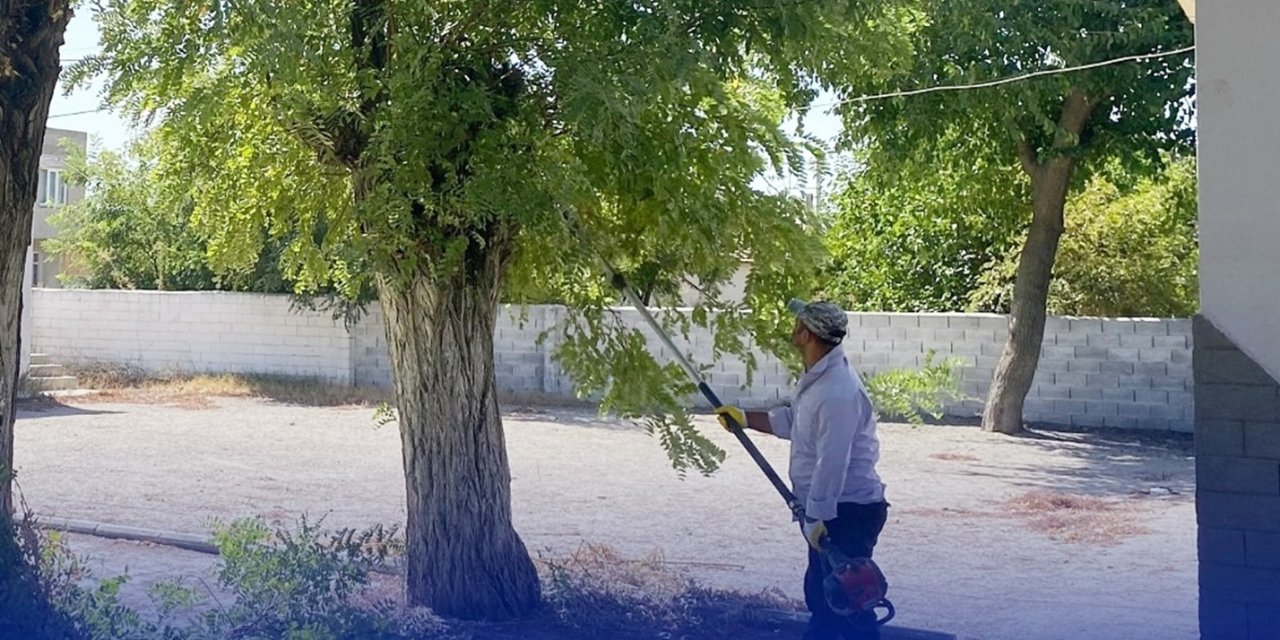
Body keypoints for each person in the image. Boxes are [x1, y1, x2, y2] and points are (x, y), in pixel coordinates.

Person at [715, 298, 889, 640]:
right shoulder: (819, 378)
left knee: (843, 602)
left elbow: (833, 462)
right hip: (831, 510)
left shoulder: (837, 392)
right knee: (829, 599)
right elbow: (796, 422)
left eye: (798, 324)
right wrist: (746, 419)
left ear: (807, 334)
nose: (793, 328)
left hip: (847, 512)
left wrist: (818, 516)